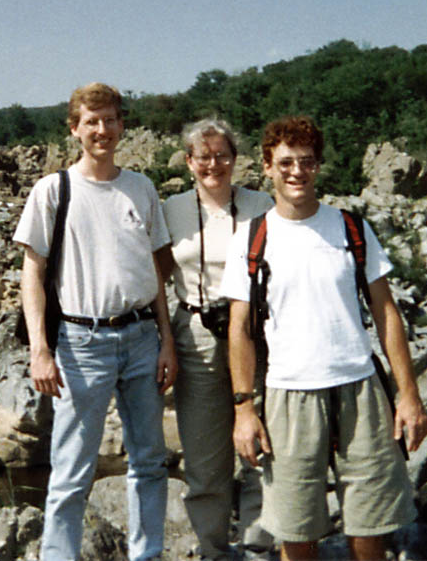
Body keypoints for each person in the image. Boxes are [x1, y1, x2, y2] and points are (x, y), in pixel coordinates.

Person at [220, 116, 427, 560]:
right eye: (287, 162)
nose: (297, 172)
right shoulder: (252, 238)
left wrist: (408, 394)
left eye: (307, 162)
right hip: (288, 393)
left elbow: (386, 311)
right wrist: (244, 410)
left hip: (360, 388)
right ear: (268, 167)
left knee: (370, 522)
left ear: (319, 166)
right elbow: (239, 330)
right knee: (296, 529)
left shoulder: (352, 229)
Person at [13, 82, 177, 561]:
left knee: (149, 462)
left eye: (110, 120)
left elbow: (157, 274)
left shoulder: (141, 188)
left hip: (143, 336)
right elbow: (33, 272)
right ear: (75, 129)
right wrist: (40, 350)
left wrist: (167, 341)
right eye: (92, 121)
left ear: (121, 124)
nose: (102, 130)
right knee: (70, 469)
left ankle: (146, 554)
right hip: (81, 343)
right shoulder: (53, 190)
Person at [157, 118, 274, 560]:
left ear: (235, 159)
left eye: (222, 155)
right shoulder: (171, 209)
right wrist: (165, 338)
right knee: (205, 458)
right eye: (203, 156)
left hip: (258, 335)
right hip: (197, 334)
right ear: (188, 162)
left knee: (262, 446)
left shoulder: (263, 204)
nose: (213, 164)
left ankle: (260, 545)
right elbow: (157, 279)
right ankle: (214, 550)